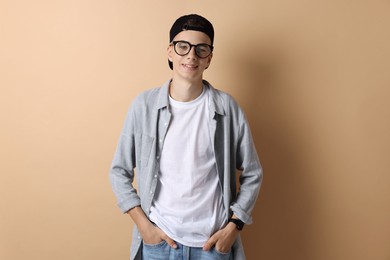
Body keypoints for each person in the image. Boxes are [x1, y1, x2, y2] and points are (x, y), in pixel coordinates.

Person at [110, 14, 263, 260]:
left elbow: (253, 173)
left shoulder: (227, 108)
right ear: (170, 52)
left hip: (212, 246)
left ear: (209, 58)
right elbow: (119, 171)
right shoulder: (144, 106)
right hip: (158, 244)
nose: (191, 55)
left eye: (201, 49)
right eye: (183, 47)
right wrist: (144, 227)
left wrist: (233, 227)